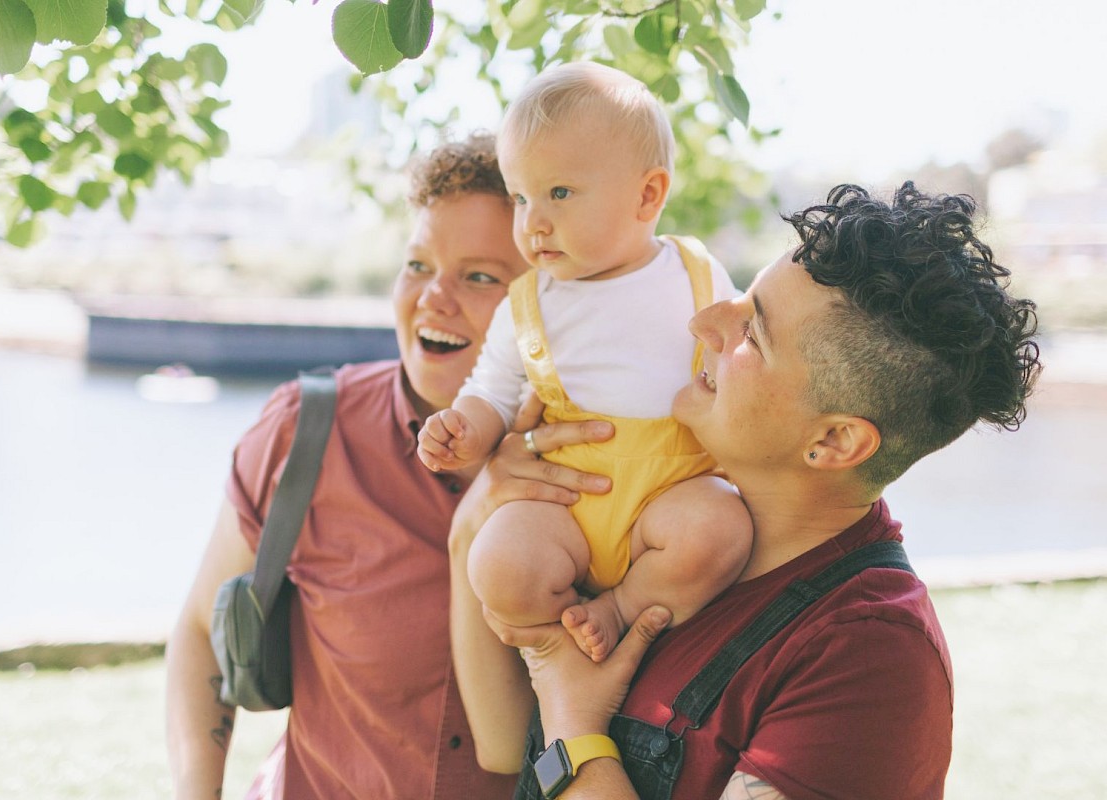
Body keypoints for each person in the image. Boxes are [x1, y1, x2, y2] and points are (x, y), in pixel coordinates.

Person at [453, 182, 1041, 798]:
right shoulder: (653, 520)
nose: (704, 322)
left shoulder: (867, 657)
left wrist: (574, 729)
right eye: (739, 296)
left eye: (751, 334)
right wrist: (489, 502)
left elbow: (551, 734)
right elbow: (498, 742)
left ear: (835, 441)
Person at [165, 133, 548, 800]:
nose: (435, 298)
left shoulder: (601, 451)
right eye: (419, 265)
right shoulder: (306, 432)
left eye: (481, 276)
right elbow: (200, 632)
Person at [417, 62, 753, 663]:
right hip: (566, 506)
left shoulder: (698, 274)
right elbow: (491, 389)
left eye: (559, 193)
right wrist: (464, 429)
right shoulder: (528, 303)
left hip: (672, 494)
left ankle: (622, 608)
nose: (534, 221)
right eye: (521, 198)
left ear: (647, 195)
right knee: (497, 564)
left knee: (720, 528)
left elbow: (740, 367)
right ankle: (558, 653)